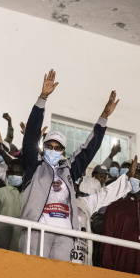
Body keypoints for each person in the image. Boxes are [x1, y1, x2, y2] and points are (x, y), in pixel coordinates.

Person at [18, 68, 119, 260]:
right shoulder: (34, 166)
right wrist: (42, 98)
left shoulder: (69, 170)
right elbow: (31, 133)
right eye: (49, 146)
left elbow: (90, 149)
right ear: (43, 146)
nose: (53, 150)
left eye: (58, 148)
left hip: (65, 235)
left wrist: (104, 118)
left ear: (63, 151)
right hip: (37, 230)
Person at [0, 159, 25, 251]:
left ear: (23, 174)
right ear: (7, 173)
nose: (15, 175)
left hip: (19, 245)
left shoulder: (27, 195)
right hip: (0, 243)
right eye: (12, 172)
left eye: (18, 173)